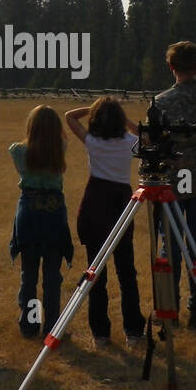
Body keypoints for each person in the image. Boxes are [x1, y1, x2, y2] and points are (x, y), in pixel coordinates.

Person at [152, 41, 196, 329]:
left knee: (170, 247)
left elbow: (156, 141)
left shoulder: (162, 101)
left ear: (171, 67)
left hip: (172, 180)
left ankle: (169, 311)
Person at [66, 98, 145, 348]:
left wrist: (93, 107)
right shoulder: (130, 143)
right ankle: (133, 330)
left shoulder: (93, 142)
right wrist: (127, 120)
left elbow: (69, 116)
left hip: (94, 204)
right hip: (121, 203)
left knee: (95, 272)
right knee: (126, 271)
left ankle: (100, 333)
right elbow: (149, 140)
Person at [8, 106, 74, 339]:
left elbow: (17, 156)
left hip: (29, 213)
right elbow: (64, 139)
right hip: (54, 214)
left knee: (29, 274)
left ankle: (29, 323)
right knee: (52, 275)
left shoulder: (18, 151)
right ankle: (53, 325)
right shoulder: (60, 149)